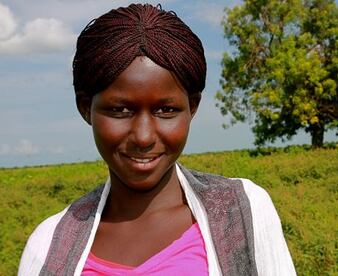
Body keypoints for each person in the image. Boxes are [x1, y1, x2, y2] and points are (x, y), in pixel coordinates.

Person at [18, 3, 296, 276]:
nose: (143, 137)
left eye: (166, 110)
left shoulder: (242, 213)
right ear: (85, 108)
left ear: (193, 107)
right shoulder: (48, 246)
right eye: (120, 110)